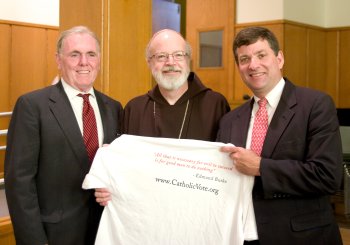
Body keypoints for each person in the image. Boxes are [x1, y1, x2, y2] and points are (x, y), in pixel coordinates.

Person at [218, 26, 343, 244]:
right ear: (238, 67)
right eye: (244, 59)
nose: (253, 65)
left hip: (302, 237)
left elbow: (327, 176)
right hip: (242, 236)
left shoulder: (315, 105)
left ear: (280, 58)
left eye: (261, 55)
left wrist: (260, 167)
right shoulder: (230, 120)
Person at [5, 26, 123, 245]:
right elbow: (19, 185)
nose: (84, 62)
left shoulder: (114, 108)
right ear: (59, 60)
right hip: (54, 236)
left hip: (105, 233)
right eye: (74, 55)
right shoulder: (32, 106)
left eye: (91, 54)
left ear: (98, 59)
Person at [95, 29, 230, 205]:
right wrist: (109, 182)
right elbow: (123, 168)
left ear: (188, 59)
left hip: (199, 210)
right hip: (145, 211)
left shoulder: (215, 105)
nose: (170, 62)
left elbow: (226, 169)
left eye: (178, 55)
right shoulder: (134, 109)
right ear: (149, 62)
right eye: (161, 57)